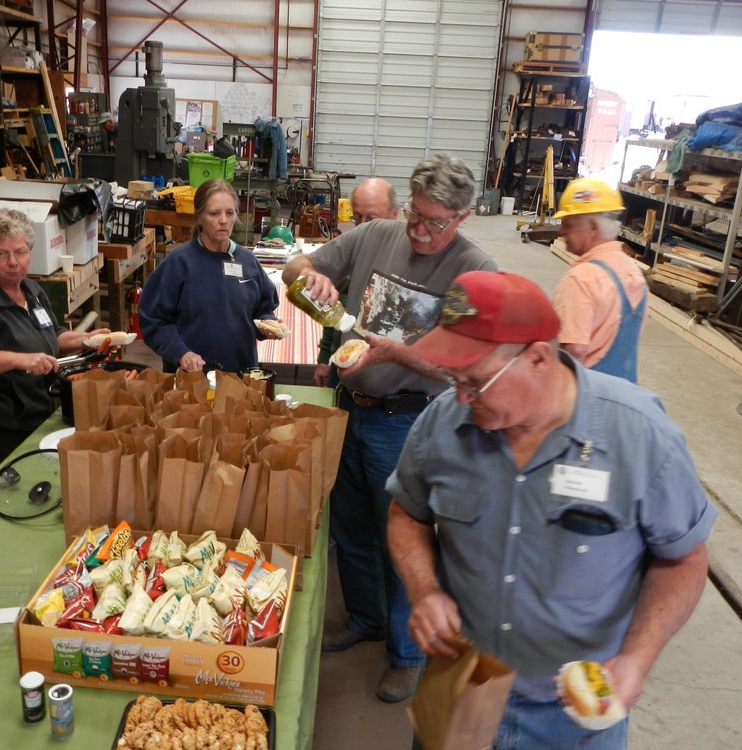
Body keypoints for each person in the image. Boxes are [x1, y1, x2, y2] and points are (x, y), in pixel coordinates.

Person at [387, 270, 716, 749]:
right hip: (462, 690)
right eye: (453, 378)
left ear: (538, 357)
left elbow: (684, 559)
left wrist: (637, 658)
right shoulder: (444, 421)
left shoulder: (639, 435)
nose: (460, 396)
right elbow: (407, 513)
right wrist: (424, 590)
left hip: (572, 714)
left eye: (474, 381)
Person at [282, 153, 497, 703]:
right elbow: (292, 271)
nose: (421, 232)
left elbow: (470, 368)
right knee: (349, 524)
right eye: (416, 217)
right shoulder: (377, 234)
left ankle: (406, 654)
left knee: (404, 542)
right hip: (349, 406)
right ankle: (366, 619)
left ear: (463, 217)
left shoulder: (476, 273)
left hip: (407, 423)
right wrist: (312, 280)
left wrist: (398, 355)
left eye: (436, 223)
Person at [0, 208, 110, 496]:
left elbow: (50, 335)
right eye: (2, 254)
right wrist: (18, 360)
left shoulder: (31, 290)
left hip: (32, 418)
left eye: (21, 251)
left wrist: (86, 339)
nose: (13, 262)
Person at [138, 178, 280, 373]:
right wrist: (181, 353)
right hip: (190, 379)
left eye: (230, 213)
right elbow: (153, 320)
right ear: (199, 217)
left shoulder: (248, 262)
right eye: (214, 213)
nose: (223, 220)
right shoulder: (179, 263)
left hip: (240, 376)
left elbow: (264, 308)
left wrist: (267, 324)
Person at [551, 177, 649, 383]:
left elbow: (574, 351)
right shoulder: (632, 271)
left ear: (593, 227)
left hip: (588, 396)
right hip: (624, 395)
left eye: (568, 224)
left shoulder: (582, 279)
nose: (561, 231)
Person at [314, 177, 401, 387]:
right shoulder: (351, 253)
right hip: (342, 370)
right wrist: (325, 359)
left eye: (371, 219)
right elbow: (334, 312)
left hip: (384, 386)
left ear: (394, 214)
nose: (363, 228)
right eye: (357, 219)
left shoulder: (404, 262)